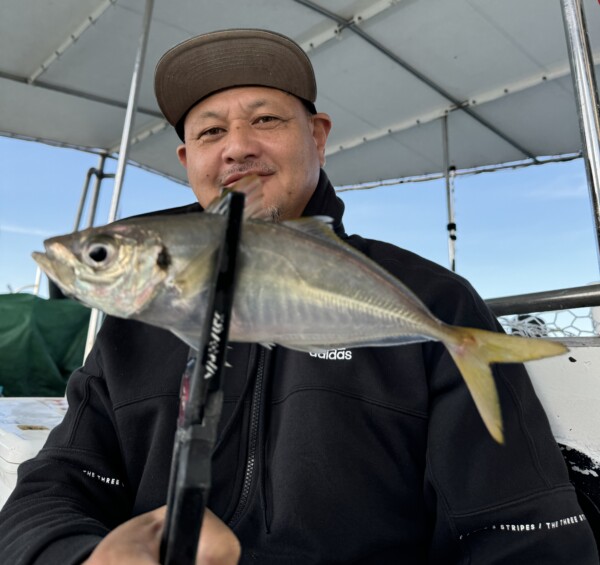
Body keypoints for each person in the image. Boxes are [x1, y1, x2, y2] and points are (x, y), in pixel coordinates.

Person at [0, 28, 597, 565]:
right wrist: (85, 558)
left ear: (317, 136)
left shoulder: (435, 296)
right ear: (190, 161)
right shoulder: (134, 323)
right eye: (210, 131)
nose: (236, 148)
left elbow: (521, 532)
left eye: (265, 121)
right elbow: (54, 487)